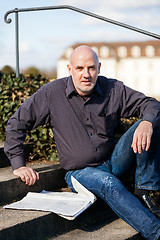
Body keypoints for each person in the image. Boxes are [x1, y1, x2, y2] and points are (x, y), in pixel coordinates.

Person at [4, 45, 160, 239]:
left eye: (91, 68)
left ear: (99, 68)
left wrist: (145, 122)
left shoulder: (113, 88)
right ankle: (156, 233)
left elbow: (152, 104)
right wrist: (18, 164)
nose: (86, 74)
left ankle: (145, 190)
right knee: (108, 182)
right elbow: (16, 123)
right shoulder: (51, 94)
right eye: (79, 68)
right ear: (70, 70)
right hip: (80, 172)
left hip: (113, 161)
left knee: (151, 120)